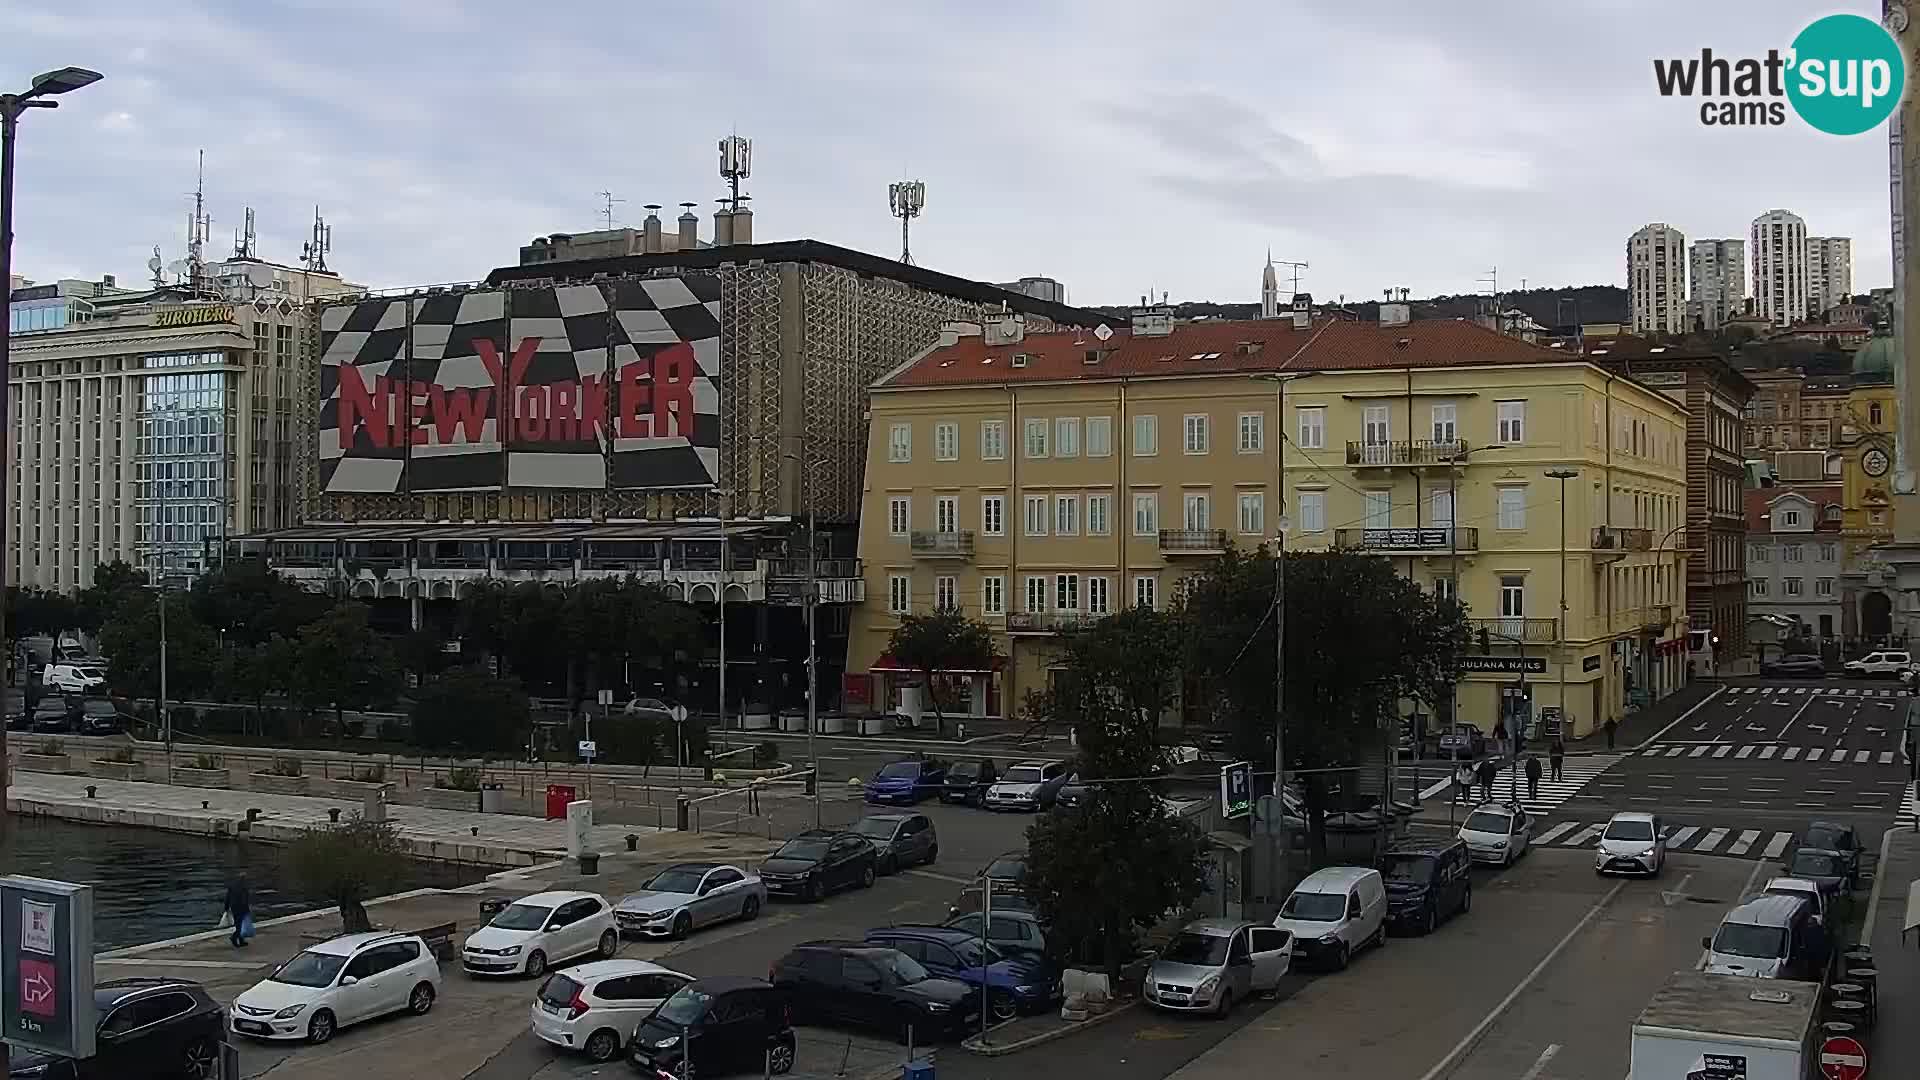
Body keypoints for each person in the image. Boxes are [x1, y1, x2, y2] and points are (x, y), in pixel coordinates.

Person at [224, 876, 253, 948]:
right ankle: (234, 938)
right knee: (240, 926)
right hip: (242, 908)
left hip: (234, 908)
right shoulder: (244, 888)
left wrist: (226, 908)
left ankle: (241, 940)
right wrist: (247, 909)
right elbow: (245, 899)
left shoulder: (232, 886)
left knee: (238, 924)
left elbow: (227, 898)